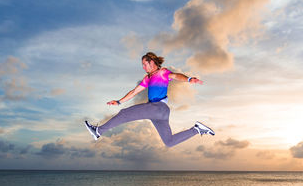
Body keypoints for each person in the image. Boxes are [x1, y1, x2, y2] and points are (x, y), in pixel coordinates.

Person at [84, 52, 214, 147]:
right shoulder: (148, 78)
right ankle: (197, 129)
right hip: (158, 113)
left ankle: (98, 131)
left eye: (144, 64)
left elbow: (176, 76)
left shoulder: (162, 72)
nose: (143, 67)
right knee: (169, 142)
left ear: (152, 62)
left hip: (158, 108)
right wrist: (119, 101)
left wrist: (189, 79)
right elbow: (134, 91)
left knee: (125, 114)